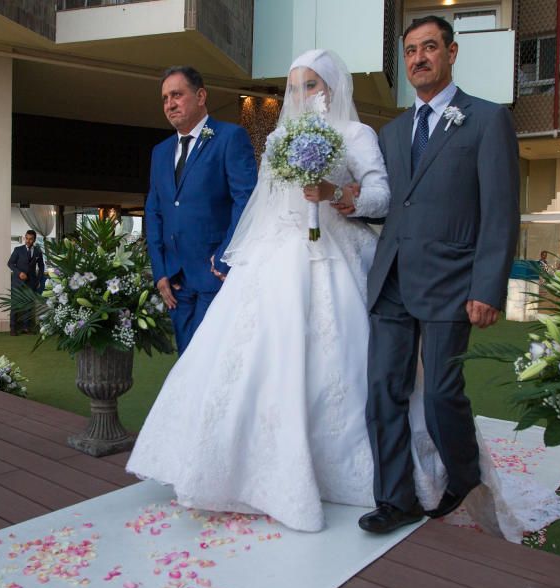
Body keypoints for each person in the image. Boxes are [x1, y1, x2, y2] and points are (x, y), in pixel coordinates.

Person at [126, 50, 449, 532]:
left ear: (333, 89)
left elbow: (379, 195)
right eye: (295, 86)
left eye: (312, 85)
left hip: (335, 252)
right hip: (278, 254)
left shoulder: (357, 135)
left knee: (343, 358)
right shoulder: (278, 138)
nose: (302, 95)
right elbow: (266, 201)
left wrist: (336, 195)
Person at [359, 15, 522, 534]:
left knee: (441, 394)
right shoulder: (391, 131)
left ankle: (465, 472)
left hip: (453, 281)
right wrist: (342, 198)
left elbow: (500, 211)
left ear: (452, 53)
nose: (418, 59)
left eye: (429, 48)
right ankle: (395, 499)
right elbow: (387, 205)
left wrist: (487, 286)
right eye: (410, 51)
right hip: (392, 280)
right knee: (383, 390)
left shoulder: (487, 119)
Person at [144, 66, 258, 354]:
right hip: (175, 283)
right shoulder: (160, 152)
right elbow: (154, 211)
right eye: (165, 98)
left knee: (207, 362)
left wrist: (224, 257)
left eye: (177, 95)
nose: (170, 104)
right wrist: (159, 271)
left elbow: (247, 201)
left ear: (201, 96)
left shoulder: (229, 137)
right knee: (185, 361)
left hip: (214, 274)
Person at [7, 229, 44, 335]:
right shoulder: (18, 249)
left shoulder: (38, 251)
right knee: (15, 304)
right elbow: (10, 263)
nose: (28, 241)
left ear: (34, 240)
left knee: (28, 305)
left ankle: (26, 327)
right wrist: (19, 273)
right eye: (26, 238)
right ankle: (13, 328)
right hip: (18, 281)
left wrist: (39, 279)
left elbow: (41, 266)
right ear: (25, 238)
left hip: (31, 282)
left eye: (30, 239)